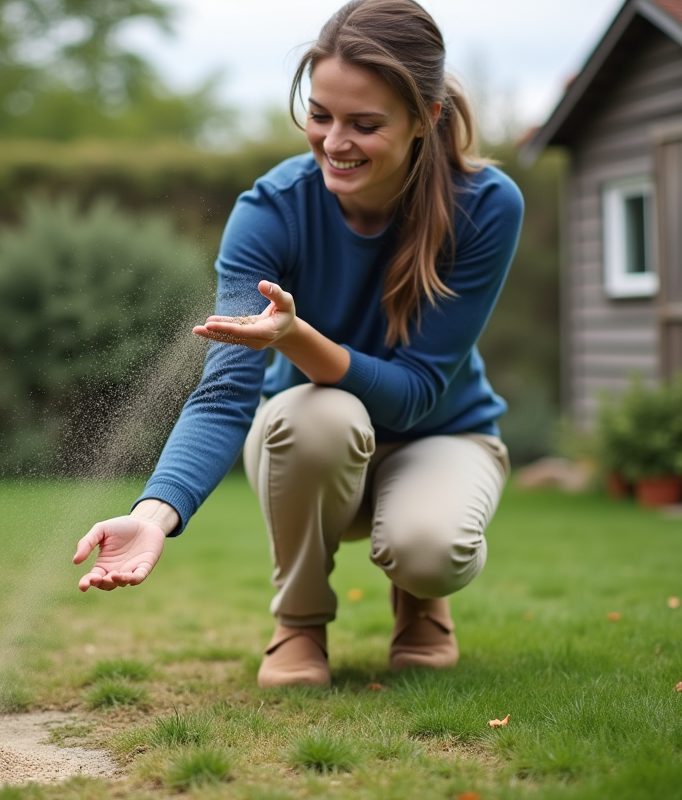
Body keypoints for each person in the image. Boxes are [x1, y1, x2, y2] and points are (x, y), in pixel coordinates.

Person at [72, 0, 523, 688]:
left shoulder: (486, 205)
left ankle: (422, 600)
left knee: (429, 549)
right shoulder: (269, 212)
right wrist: (154, 514)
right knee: (314, 414)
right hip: (315, 445)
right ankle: (299, 624)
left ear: (424, 119)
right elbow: (225, 392)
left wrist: (299, 336)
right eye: (320, 115)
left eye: (364, 124)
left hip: (442, 433)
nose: (334, 142)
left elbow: (414, 395)